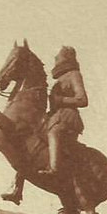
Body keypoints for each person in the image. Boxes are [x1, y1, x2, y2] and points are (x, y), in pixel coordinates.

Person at [38, 45, 88, 180]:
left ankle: (54, 169)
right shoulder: (59, 80)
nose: (55, 59)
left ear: (66, 57)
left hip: (67, 116)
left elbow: (83, 99)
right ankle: (18, 186)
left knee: (54, 133)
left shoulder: (74, 75)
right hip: (54, 116)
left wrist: (61, 99)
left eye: (58, 56)